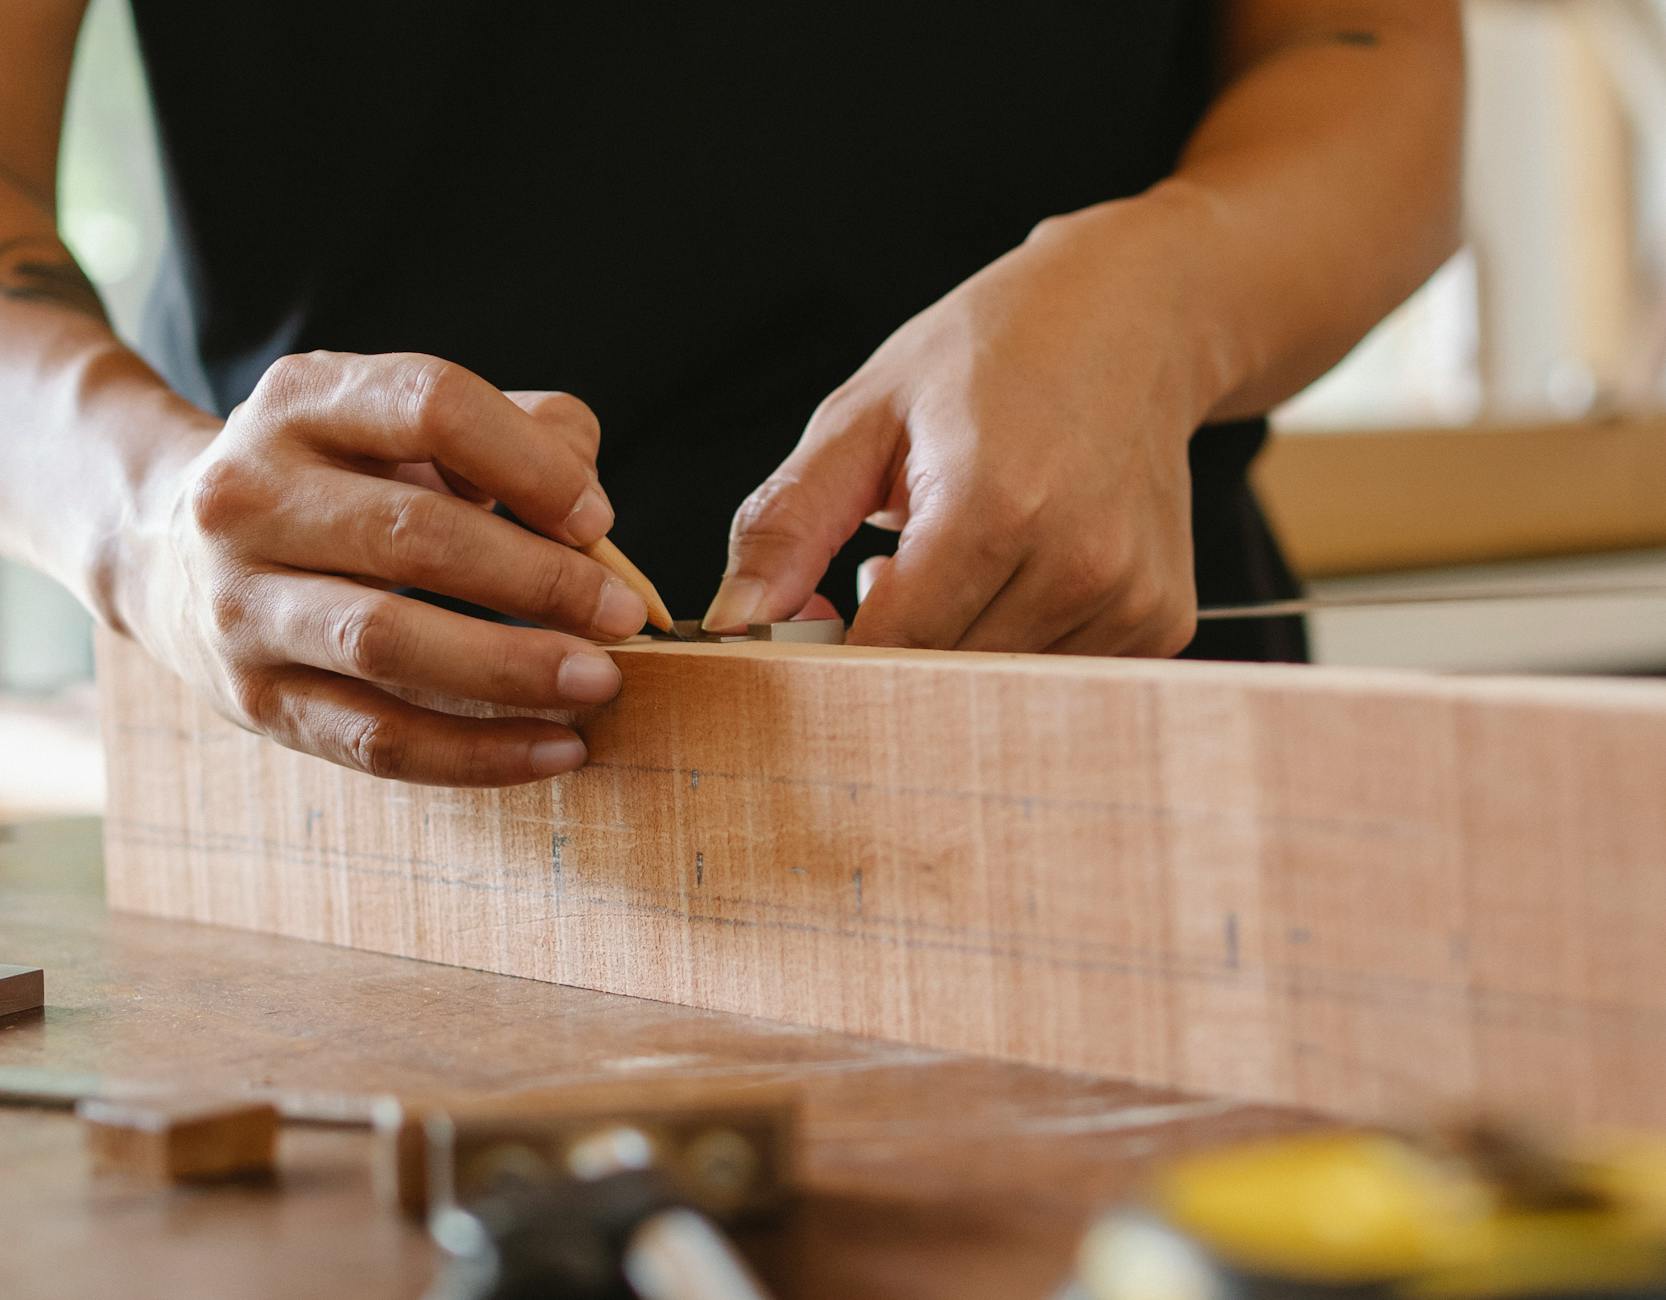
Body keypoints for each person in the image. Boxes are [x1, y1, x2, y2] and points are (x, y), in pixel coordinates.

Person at [0, 2, 1463, 786]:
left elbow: (1380, 59)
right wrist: (148, 520)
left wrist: (1162, 296)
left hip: (1112, 718)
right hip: (343, 761)